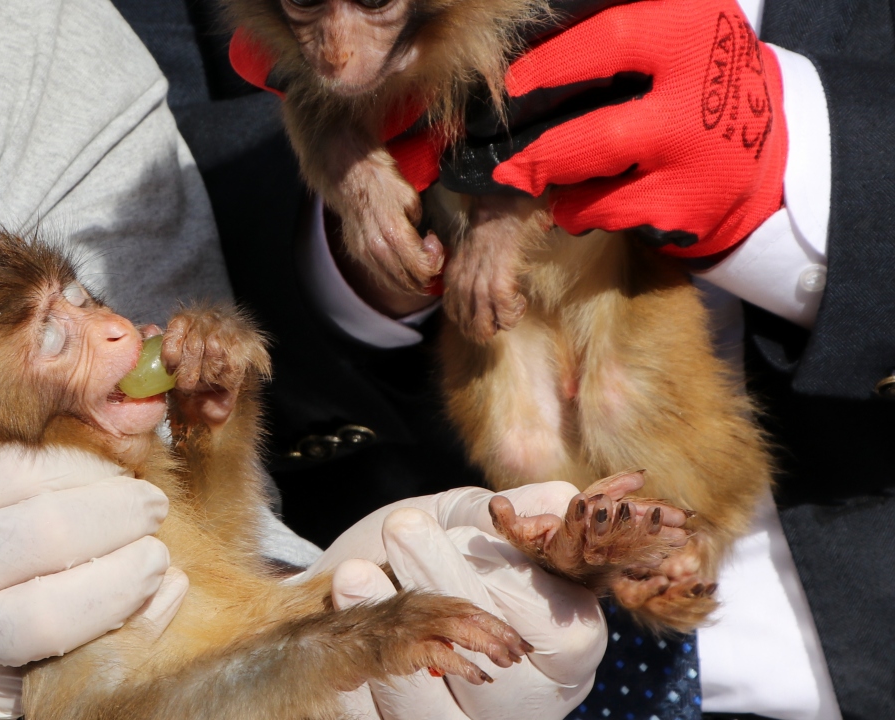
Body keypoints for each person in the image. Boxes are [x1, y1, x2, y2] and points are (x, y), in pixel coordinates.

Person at [0, 0, 610, 718]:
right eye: (52, 334)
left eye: (82, 300)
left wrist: (222, 443)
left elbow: (208, 563)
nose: (112, 332)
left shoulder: (22, 45)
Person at [109, 0, 895, 718]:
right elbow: (137, 180)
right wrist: (352, 235)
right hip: (431, 644)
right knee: (523, 446)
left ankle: (675, 547)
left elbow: (536, 91)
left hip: (852, 651)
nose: (337, 55)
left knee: (624, 401)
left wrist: (814, 173)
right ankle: (586, 555)